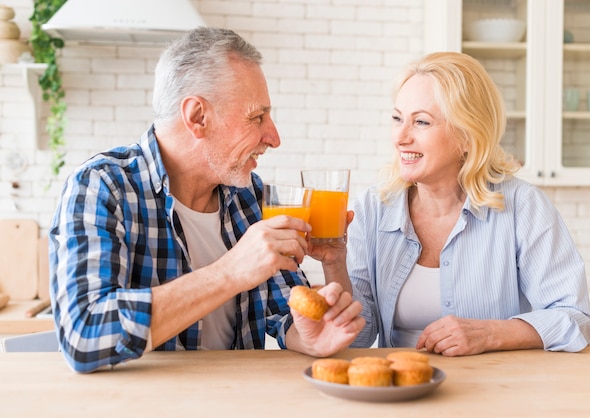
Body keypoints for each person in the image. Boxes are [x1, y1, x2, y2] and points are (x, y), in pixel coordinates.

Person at [48, 27, 364, 373]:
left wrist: (307, 335)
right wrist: (229, 272)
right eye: (257, 117)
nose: (273, 137)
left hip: (237, 398)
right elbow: (84, 335)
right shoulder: (103, 186)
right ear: (198, 117)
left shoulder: (250, 196)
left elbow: (286, 312)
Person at [342, 51, 590, 356]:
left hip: (496, 390)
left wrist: (489, 334)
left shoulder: (522, 206)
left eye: (421, 122)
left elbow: (577, 318)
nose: (400, 137)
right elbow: (358, 335)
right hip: (401, 391)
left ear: (467, 135)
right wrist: (333, 264)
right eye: (397, 118)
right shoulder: (371, 209)